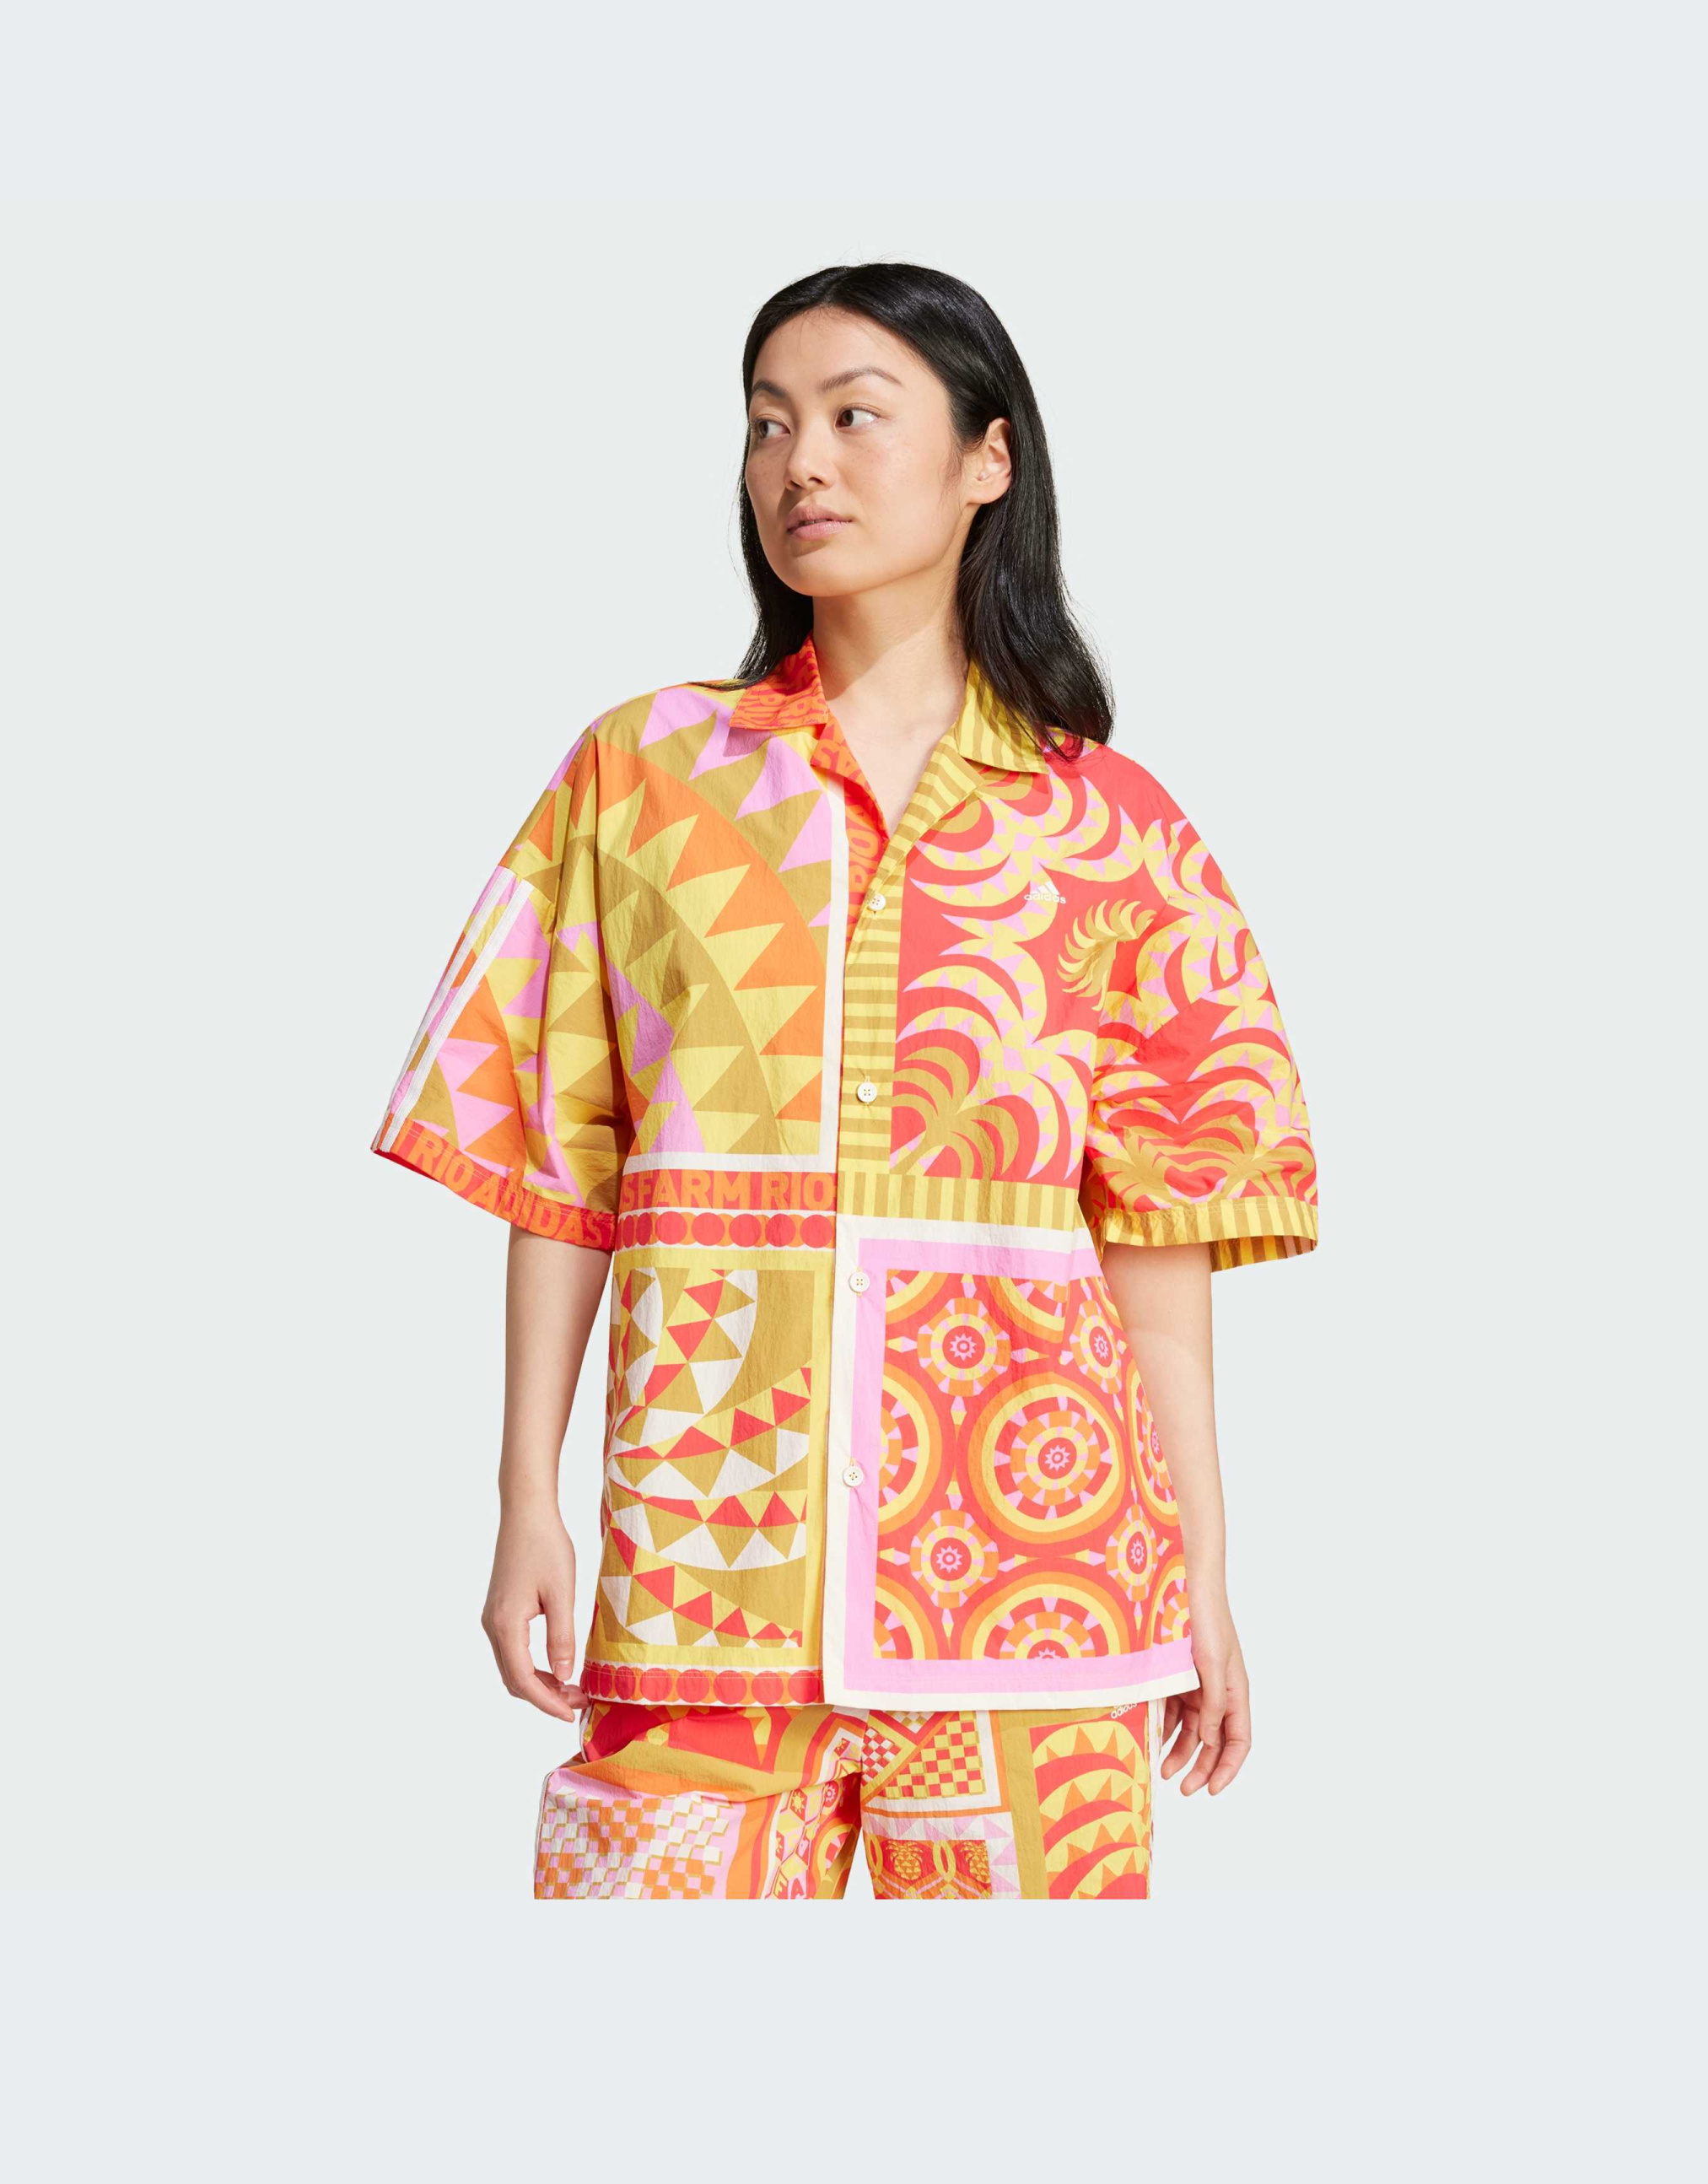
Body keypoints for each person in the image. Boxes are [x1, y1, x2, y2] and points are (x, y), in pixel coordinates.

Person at [371, 262, 1318, 1900]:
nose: (797, 462)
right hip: (702, 1565)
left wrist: (1204, 1579)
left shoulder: (1113, 832)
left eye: (851, 416)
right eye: (765, 425)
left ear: (987, 459)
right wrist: (526, 1495)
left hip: (1034, 1587)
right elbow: (557, 1166)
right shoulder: (643, 777)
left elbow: (1155, 1247)